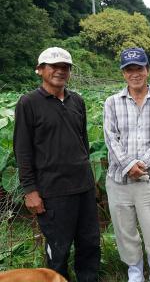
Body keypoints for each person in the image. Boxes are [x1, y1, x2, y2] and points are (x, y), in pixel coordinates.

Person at [14, 47, 100, 281]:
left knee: (90, 243)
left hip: (83, 186)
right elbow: (22, 149)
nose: (60, 71)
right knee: (58, 250)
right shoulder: (28, 103)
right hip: (53, 190)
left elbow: (83, 140)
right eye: (53, 66)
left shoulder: (77, 101)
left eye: (65, 67)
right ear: (40, 70)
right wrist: (30, 190)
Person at [103, 47, 150, 282]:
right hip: (118, 179)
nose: (135, 74)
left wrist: (140, 164)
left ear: (148, 70)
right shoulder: (112, 102)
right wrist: (127, 165)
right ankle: (134, 271)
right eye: (129, 69)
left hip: (149, 177)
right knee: (125, 229)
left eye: (139, 68)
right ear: (123, 73)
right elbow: (110, 137)